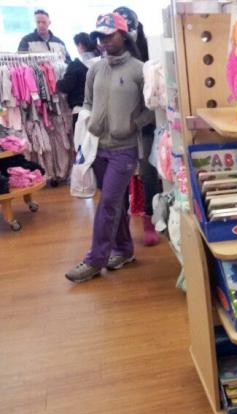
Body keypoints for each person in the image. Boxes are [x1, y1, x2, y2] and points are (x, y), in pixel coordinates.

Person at [64, 12, 154, 283]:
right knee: (114, 202)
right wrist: (89, 121)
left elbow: (152, 108)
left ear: (123, 35)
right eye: (99, 36)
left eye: (108, 35)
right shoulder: (94, 69)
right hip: (98, 148)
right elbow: (88, 101)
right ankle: (124, 250)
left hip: (124, 149)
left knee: (107, 204)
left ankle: (95, 259)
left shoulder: (139, 69)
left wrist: (133, 124)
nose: (103, 41)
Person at [114, 6, 161, 246]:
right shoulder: (106, 61)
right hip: (116, 128)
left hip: (144, 125)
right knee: (118, 176)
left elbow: (153, 101)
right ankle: (120, 227)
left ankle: (149, 220)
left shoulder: (148, 55)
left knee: (147, 172)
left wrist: (137, 122)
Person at [56, 33, 100, 128]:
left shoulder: (76, 65)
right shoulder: (103, 62)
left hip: (82, 110)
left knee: (82, 137)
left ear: (80, 45)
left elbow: (66, 86)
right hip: (102, 110)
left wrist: (56, 82)